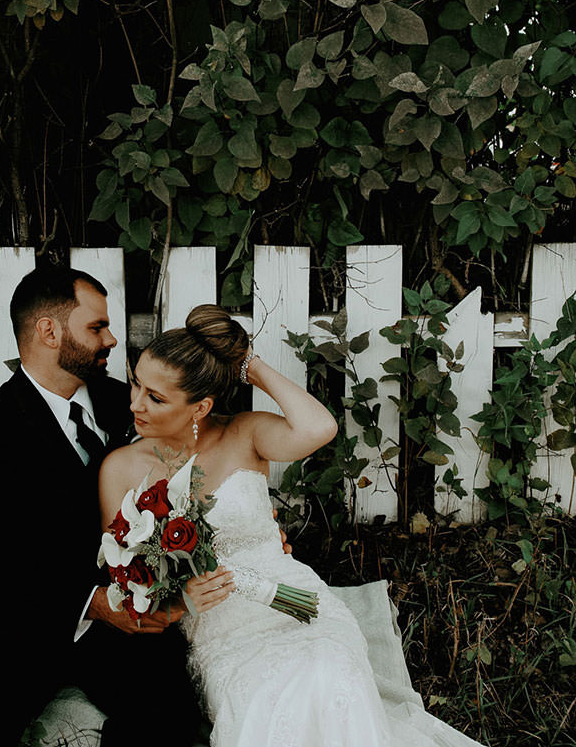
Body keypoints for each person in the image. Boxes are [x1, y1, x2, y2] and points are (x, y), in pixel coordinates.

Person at [98, 304, 488, 747]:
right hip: (223, 630)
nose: (134, 404)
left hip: (301, 608)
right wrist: (180, 601)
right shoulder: (121, 469)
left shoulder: (245, 433)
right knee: (270, 703)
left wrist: (250, 366)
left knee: (328, 673)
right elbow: (127, 581)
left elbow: (319, 427)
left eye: (155, 396)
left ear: (201, 406)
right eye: (135, 384)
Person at [0, 265, 203, 747]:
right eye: (96, 326)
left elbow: (197, 456)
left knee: (167, 715)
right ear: (49, 331)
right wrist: (94, 604)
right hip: (28, 621)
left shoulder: (127, 404)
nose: (110, 339)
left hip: (130, 618)